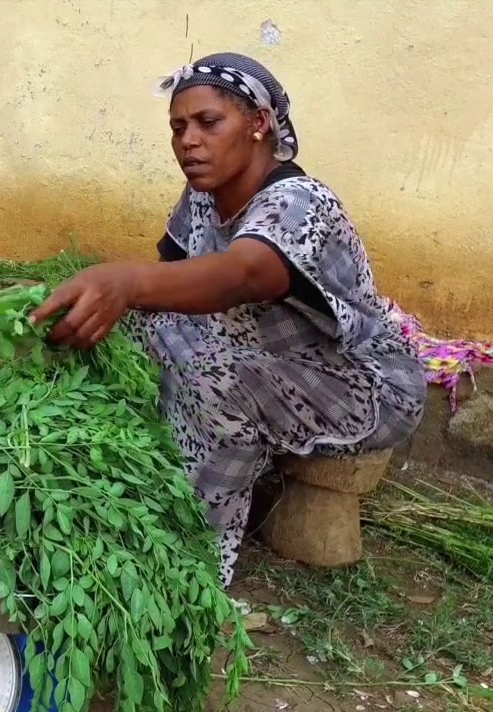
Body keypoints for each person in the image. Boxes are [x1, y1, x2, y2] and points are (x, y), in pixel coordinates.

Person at [30, 52, 426, 585]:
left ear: (259, 123)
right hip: (264, 359)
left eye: (208, 123)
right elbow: (173, 289)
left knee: (215, 379)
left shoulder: (299, 203)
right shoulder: (202, 198)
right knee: (132, 332)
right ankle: (126, 480)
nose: (188, 141)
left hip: (360, 386)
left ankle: (191, 561)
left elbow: (244, 273)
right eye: (178, 128)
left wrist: (123, 282)